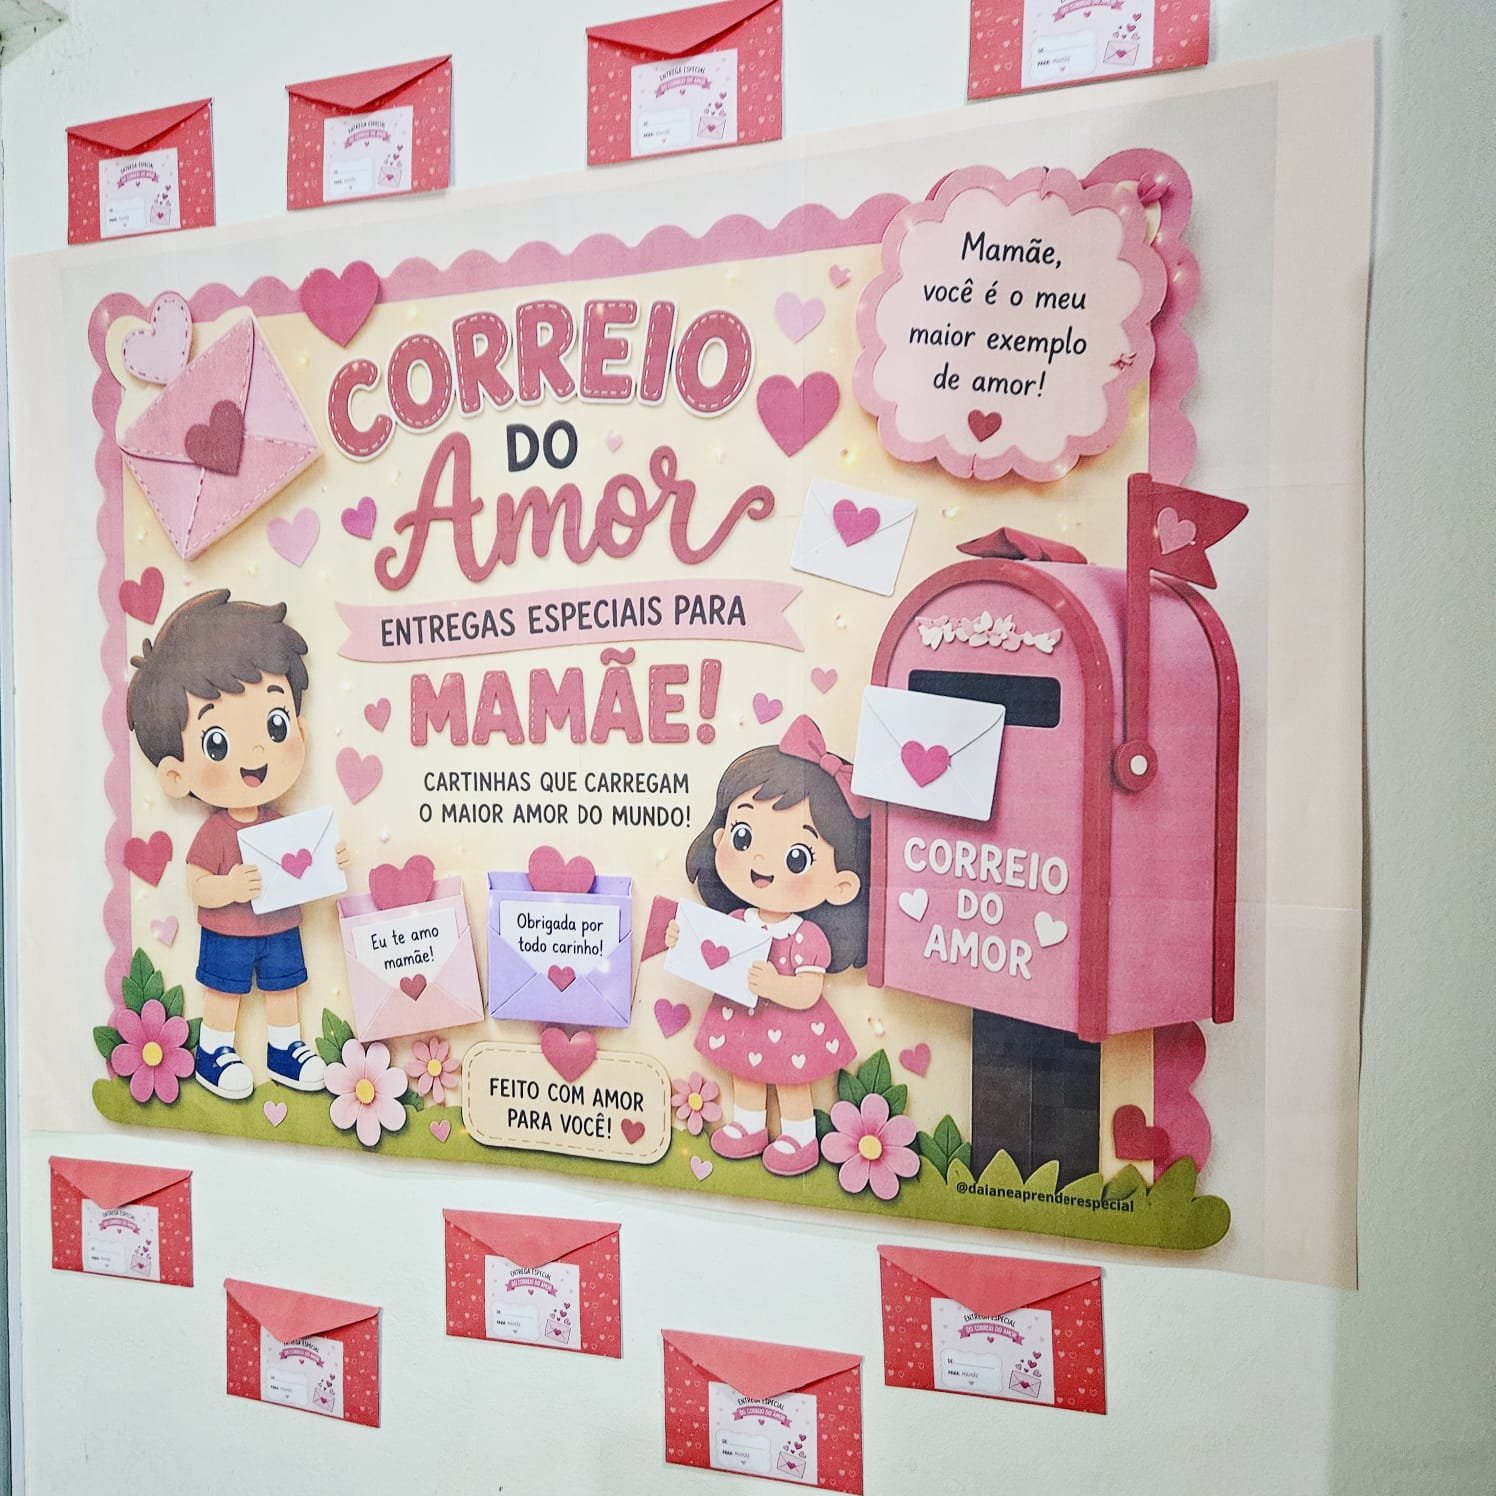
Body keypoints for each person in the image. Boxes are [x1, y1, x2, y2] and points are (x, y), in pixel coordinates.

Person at [125, 589, 348, 1100]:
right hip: (228, 931)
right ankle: (215, 1050)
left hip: (281, 926)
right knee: (225, 991)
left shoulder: (279, 823)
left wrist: (328, 861)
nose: (256, 751)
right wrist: (227, 887)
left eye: (275, 724)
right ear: (176, 775)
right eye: (217, 742)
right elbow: (197, 884)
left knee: (284, 987)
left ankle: (285, 1048)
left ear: (299, 728)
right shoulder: (215, 832)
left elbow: (302, 864)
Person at [667, 715, 870, 1176]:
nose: (761, 860)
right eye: (743, 836)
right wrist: (683, 941)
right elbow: (710, 958)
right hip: (743, 1022)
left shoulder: (806, 937)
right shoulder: (738, 921)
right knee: (745, 1074)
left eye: (797, 857)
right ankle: (748, 1126)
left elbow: (808, 992)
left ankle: (799, 1136)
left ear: (840, 885)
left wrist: (775, 984)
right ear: (721, 838)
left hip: (791, 1028)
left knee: (791, 1081)